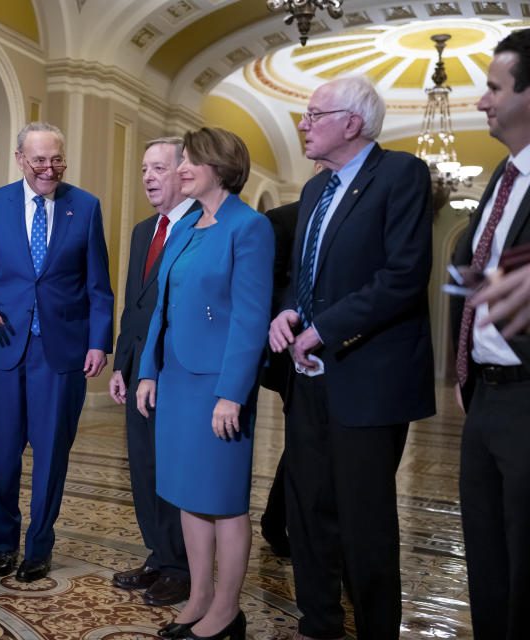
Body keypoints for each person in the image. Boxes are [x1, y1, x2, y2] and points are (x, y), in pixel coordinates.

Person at [269, 76, 434, 640]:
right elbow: (303, 275)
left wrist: (323, 330)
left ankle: (376, 628)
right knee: (306, 511)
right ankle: (319, 623)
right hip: (308, 379)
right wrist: (289, 312)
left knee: (364, 523)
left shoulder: (401, 175)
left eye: (315, 114)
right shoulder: (316, 189)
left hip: (369, 378)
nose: (303, 123)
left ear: (352, 123)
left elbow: (404, 276)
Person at [0, 122, 113, 582]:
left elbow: (99, 286)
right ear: (20, 159)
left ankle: (38, 548)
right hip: (3, 347)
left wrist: (99, 342)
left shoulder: (84, 207)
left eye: (57, 159)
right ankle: (2, 544)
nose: (50, 169)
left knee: (50, 455)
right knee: (2, 455)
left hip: (60, 351)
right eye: (40, 160)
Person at [136, 127, 274, 640]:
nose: (182, 168)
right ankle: (197, 597)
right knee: (188, 495)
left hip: (218, 388)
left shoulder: (249, 227)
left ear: (219, 165)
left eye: (191, 160)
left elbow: (251, 318)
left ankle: (226, 611)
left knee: (223, 500)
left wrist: (231, 393)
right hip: (176, 383)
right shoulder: (190, 225)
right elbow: (161, 309)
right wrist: (149, 370)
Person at [449, 28, 530, 640]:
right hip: (485, 398)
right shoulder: (502, 178)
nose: (481, 102)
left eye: (493, 88)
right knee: (487, 562)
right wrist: (464, 368)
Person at [108, 136, 196, 606]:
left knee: (172, 469)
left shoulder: (201, 227)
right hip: (138, 368)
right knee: (142, 467)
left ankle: (182, 567)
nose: (147, 177)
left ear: (185, 173)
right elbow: (134, 305)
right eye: (144, 169)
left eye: (158, 169)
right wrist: (122, 364)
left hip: (176, 372)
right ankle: (159, 555)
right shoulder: (145, 230)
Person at [258, 200, 299, 559]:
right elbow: (268, 286)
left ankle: (276, 518)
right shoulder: (283, 219)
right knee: (301, 442)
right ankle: (277, 521)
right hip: (292, 352)